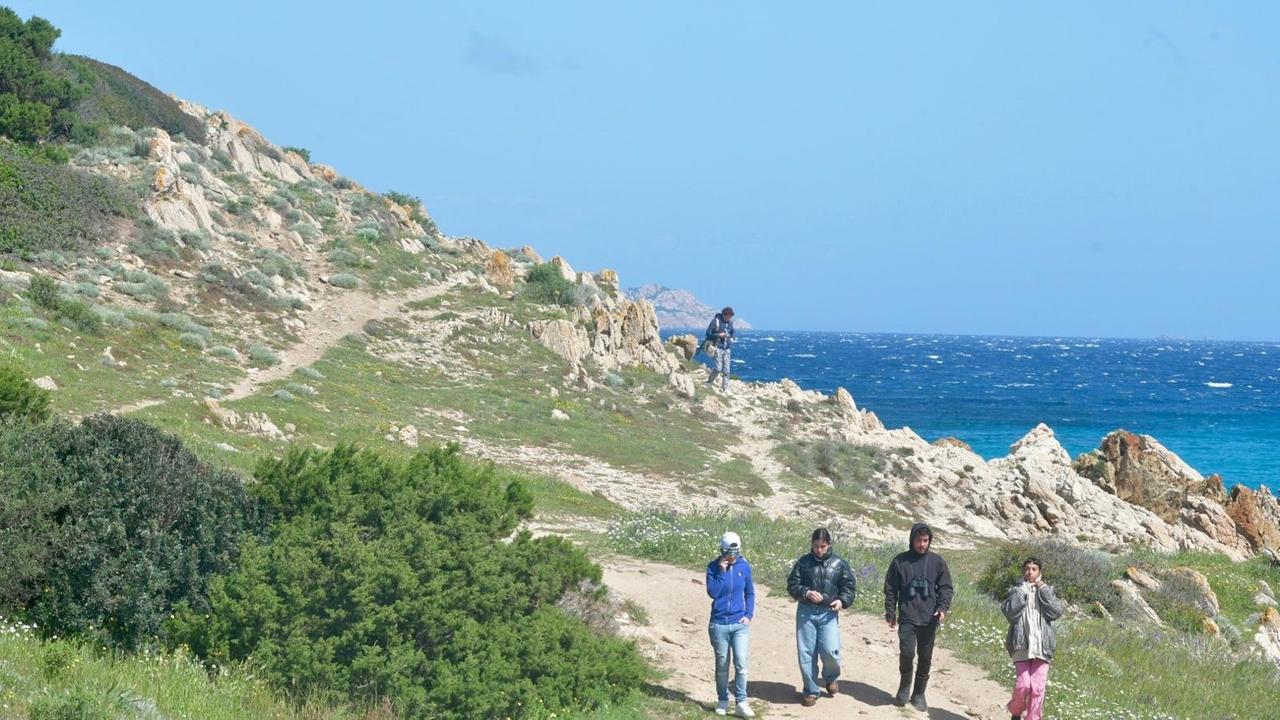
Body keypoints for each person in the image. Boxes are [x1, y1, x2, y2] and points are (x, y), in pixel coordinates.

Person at [883, 523, 953, 711]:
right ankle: (904, 687)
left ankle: (919, 693)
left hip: (930, 618)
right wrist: (891, 612)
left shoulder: (937, 562)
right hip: (907, 616)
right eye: (918, 540)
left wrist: (942, 607)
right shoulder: (900, 561)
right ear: (911, 539)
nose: (922, 544)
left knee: (925, 657)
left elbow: (946, 587)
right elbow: (890, 588)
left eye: (925, 540)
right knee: (907, 653)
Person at [786, 527, 856, 707]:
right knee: (806, 653)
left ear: (829, 545)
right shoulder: (803, 562)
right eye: (816, 546)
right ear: (812, 544)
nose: (819, 550)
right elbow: (792, 584)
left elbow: (849, 587)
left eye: (823, 546)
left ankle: (831, 679)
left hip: (829, 614)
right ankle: (810, 690)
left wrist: (842, 601)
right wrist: (806, 592)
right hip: (806, 612)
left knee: (831, 651)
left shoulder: (839, 563)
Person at [1002, 557, 1064, 720]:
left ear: (1039, 572)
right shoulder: (1016, 589)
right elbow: (1009, 613)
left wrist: (1043, 589)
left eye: (1034, 569)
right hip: (1020, 644)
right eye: (1027, 568)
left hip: (1042, 646)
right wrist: (1021, 592)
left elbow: (1056, 612)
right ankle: (1015, 711)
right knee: (1023, 684)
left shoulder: (1046, 590)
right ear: (1024, 571)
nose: (1030, 572)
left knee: (1037, 688)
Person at [706, 531, 756, 717]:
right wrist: (721, 571)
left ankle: (741, 702)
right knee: (722, 664)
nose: (732, 557)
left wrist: (748, 614)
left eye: (735, 553)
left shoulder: (745, 567)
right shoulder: (712, 567)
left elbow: (750, 593)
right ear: (722, 551)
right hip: (718, 624)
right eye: (728, 553)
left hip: (739, 623)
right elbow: (713, 592)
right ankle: (723, 700)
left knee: (741, 663)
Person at [704, 307, 736, 392]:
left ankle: (725, 388)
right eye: (728, 317)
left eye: (730, 317)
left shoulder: (730, 323)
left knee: (726, 370)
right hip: (718, 347)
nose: (729, 318)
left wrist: (732, 337)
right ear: (724, 315)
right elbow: (708, 333)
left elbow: (733, 331)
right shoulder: (716, 321)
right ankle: (709, 381)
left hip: (727, 348)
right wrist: (719, 335)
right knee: (718, 368)